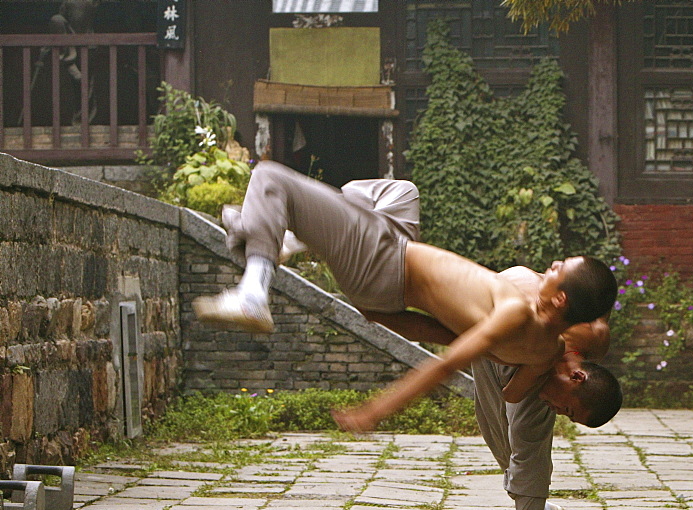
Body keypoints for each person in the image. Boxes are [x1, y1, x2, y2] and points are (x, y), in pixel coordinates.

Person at [193, 162, 617, 432]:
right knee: (399, 193)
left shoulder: (514, 315)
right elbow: (503, 384)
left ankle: (254, 288)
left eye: (559, 269)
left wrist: (378, 409)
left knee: (270, 177)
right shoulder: (539, 351)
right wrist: (379, 317)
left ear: (560, 300)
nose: (552, 267)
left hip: (381, 260)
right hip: (391, 252)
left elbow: (447, 365)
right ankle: (278, 233)